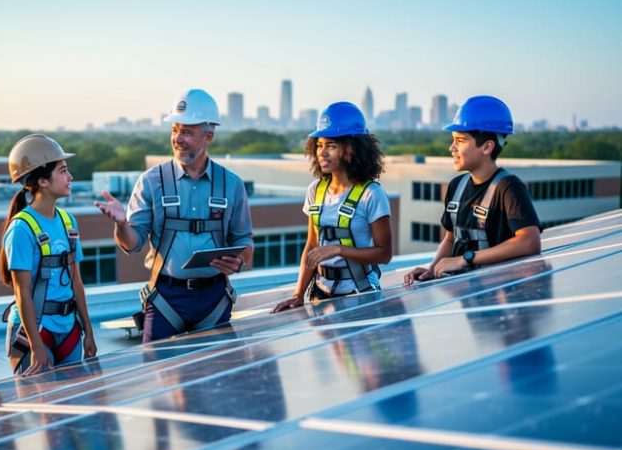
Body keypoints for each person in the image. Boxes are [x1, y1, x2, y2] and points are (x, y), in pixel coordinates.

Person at [95, 88, 253, 342]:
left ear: (208, 136)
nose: (178, 138)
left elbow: (244, 240)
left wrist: (240, 260)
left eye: (187, 132)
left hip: (214, 299)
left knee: (218, 376)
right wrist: (121, 225)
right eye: (175, 130)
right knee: (158, 372)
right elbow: (132, 243)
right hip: (166, 299)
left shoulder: (231, 184)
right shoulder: (151, 181)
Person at [404, 95, 542, 285]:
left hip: (501, 293)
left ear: (487, 147)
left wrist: (466, 258)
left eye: (460, 140)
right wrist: (432, 268)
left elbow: (530, 241)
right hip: (468, 296)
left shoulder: (508, 188)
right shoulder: (456, 186)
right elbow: (451, 239)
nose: (451, 147)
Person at [273, 101, 392, 313]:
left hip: (359, 295)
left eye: (331, 146)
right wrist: (298, 295)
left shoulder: (372, 194)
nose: (322, 153)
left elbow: (384, 254)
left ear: (351, 149)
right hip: (321, 297)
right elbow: (311, 247)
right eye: (319, 145)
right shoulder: (315, 191)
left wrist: (339, 250)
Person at [0, 134, 97, 376]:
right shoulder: (21, 228)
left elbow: (76, 282)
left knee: (72, 406)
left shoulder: (68, 221)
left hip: (68, 328)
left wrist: (89, 332)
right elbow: (22, 292)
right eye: (63, 171)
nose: (70, 177)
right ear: (42, 180)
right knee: (44, 410)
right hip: (36, 332)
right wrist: (36, 345)